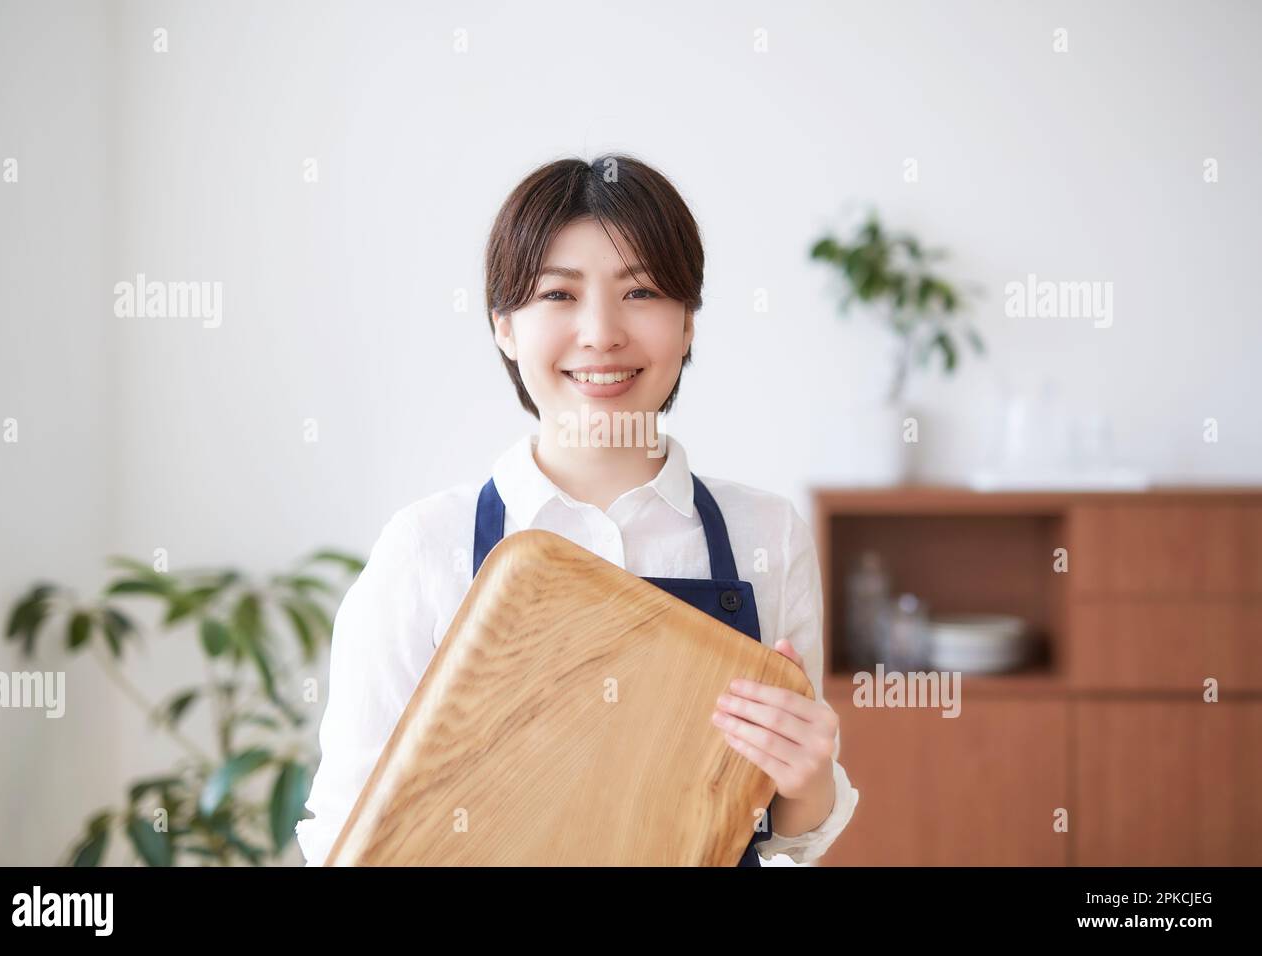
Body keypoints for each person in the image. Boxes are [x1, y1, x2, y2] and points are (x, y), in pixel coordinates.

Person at [296, 154, 859, 866]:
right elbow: (348, 833)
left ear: (688, 324)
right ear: (503, 325)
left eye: (643, 292)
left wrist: (807, 780)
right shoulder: (425, 548)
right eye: (558, 296)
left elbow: (785, 830)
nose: (601, 333)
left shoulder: (767, 535)